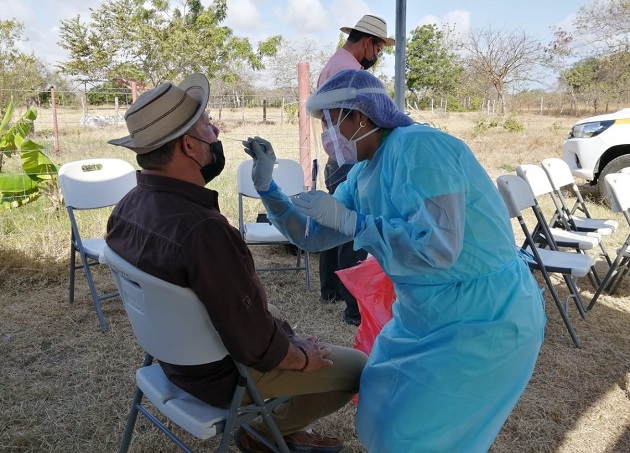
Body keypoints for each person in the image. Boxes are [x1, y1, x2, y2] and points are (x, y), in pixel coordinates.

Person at [242, 69, 546, 452]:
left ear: (360, 116)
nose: (327, 135)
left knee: (417, 435)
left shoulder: (422, 148)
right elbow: (314, 236)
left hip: (484, 316)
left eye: (330, 122)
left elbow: (439, 248)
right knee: (379, 410)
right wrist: (269, 189)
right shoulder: (364, 173)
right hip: (423, 312)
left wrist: (355, 222)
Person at [106, 73, 367, 453]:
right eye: (207, 126)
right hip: (225, 376)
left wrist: (284, 332)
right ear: (189, 147)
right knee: (357, 368)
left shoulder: (127, 206)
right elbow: (252, 341)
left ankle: (277, 430)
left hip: (169, 361)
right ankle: (262, 431)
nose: (215, 132)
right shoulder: (204, 230)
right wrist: (296, 353)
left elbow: (235, 312)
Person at [317, 14, 394, 326]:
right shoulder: (350, 72)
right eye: (378, 48)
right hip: (349, 157)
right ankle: (353, 308)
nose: (377, 55)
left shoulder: (333, 65)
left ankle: (331, 291)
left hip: (338, 156)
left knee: (335, 224)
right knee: (352, 231)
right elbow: (368, 118)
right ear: (367, 43)